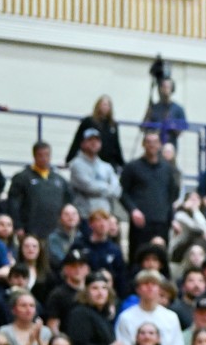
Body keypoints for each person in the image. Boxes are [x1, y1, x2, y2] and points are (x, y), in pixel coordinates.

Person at [120, 131, 181, 260]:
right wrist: (133, 210)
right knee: (137, 258)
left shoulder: (167, 169)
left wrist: (172, 219)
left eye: (155, 142)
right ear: (143, 144)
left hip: (161, 223)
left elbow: (171, 197)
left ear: (160, 145)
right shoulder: (132, 167)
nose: (152, 145)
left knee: (160, 259)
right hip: (140, 223)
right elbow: (122, 193)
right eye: (148, 142)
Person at [7, 141, 72, 240]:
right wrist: (18, 225)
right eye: (40, 155)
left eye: (47, 155)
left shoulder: (59, 179)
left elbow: (69, 201)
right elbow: (13, 203)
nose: (44, 158)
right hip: (31, 229)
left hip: (55, 230)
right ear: (34, 156)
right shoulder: (22, 177)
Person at [114, 270, 183, 345]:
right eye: (145, 283)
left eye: (154, 284)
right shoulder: (126, 317)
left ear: (159, 289)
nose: (150, 287)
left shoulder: (171, 317)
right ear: (138, 289)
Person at [66, 95, 125, 168]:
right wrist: (69, 158)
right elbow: (77, 140)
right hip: (91, 160)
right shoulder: (88, 121)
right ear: (98, 106)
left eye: (107, 105)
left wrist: (123, 164)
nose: (105, 107)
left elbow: (117, 145)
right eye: (103, 105)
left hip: (108, 161)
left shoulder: (113, 125)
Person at [143, 78, 187, 146]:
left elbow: (180, 131)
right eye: (163, 86)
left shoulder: (178, 109)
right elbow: (143, 128)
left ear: (172, 89)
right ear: (160, 88)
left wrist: (171, 124)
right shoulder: (154, 108)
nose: (165, 89)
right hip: (154, 146)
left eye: (168, 87)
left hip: (170, 146)